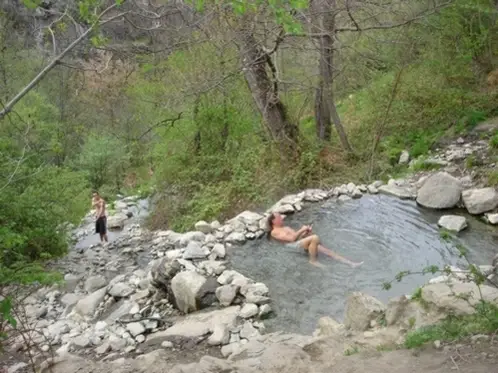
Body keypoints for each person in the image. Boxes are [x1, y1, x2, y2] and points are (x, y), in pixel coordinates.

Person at [268, 212, 363, 268]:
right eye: (279, 217)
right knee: (315, 238)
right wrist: (302, 229)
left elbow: (297, 237)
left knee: (328, 251)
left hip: (298, 243)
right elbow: (292, 239)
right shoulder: (274, 232)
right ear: (273, 221)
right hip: (290, 246)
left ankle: (351, 263)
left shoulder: (286, 228)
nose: (282, 218)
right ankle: (312, 261)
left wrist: (305, 232)